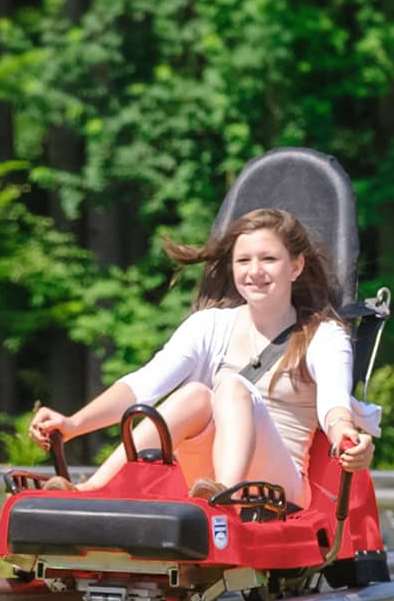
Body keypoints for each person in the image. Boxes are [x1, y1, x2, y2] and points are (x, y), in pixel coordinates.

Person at [29, 207, 375, 509]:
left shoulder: (324, 335)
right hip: (204, 476)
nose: (255, 271)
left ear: (296, 266)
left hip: (280, 487)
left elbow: (333, 404)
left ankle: (225, 496)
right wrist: (73, 425)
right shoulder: (210, 324)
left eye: (269, 259)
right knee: (195, 395)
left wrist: (346, 435)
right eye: (243, 260)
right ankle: (92, 490)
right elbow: (143, 386)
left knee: (231, 390)